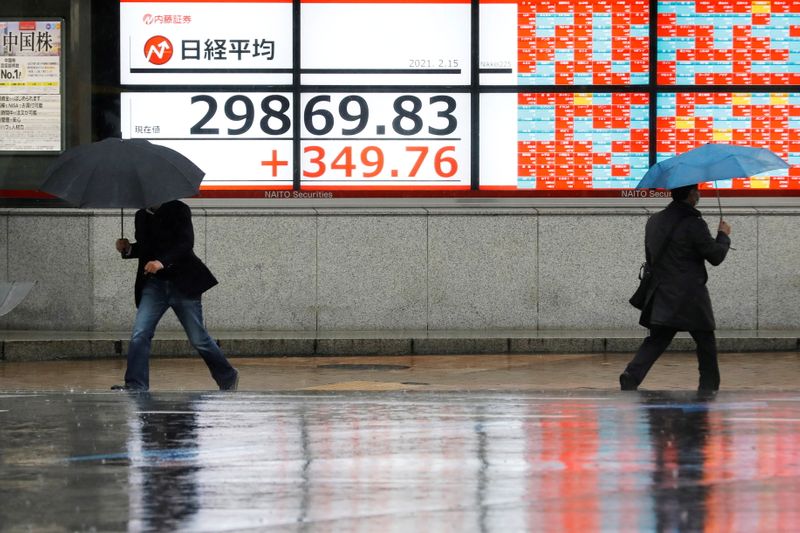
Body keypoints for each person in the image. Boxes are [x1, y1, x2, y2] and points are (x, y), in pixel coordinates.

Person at [113, 200, 238, 392]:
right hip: (154, 285)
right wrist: (128, 248)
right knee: (140, 334)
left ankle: (228, 376)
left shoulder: (179, 209)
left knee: (198, 338)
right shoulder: (140, 215)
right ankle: (135, 385)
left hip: (183, 282)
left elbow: (185, 244)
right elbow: (147, 248)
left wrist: (162, 262)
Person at [620, 184, 731, 391]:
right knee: (705, 339)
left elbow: (650, 257)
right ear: (690, 195)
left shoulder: (654, 221)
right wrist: (723, 235)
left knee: (657, 338)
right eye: (697, 191)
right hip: (690, 295)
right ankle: (709, 385)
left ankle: (631, 375)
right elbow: (715, 256)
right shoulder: (693, 223)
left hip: (662, 291)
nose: (699, 195)